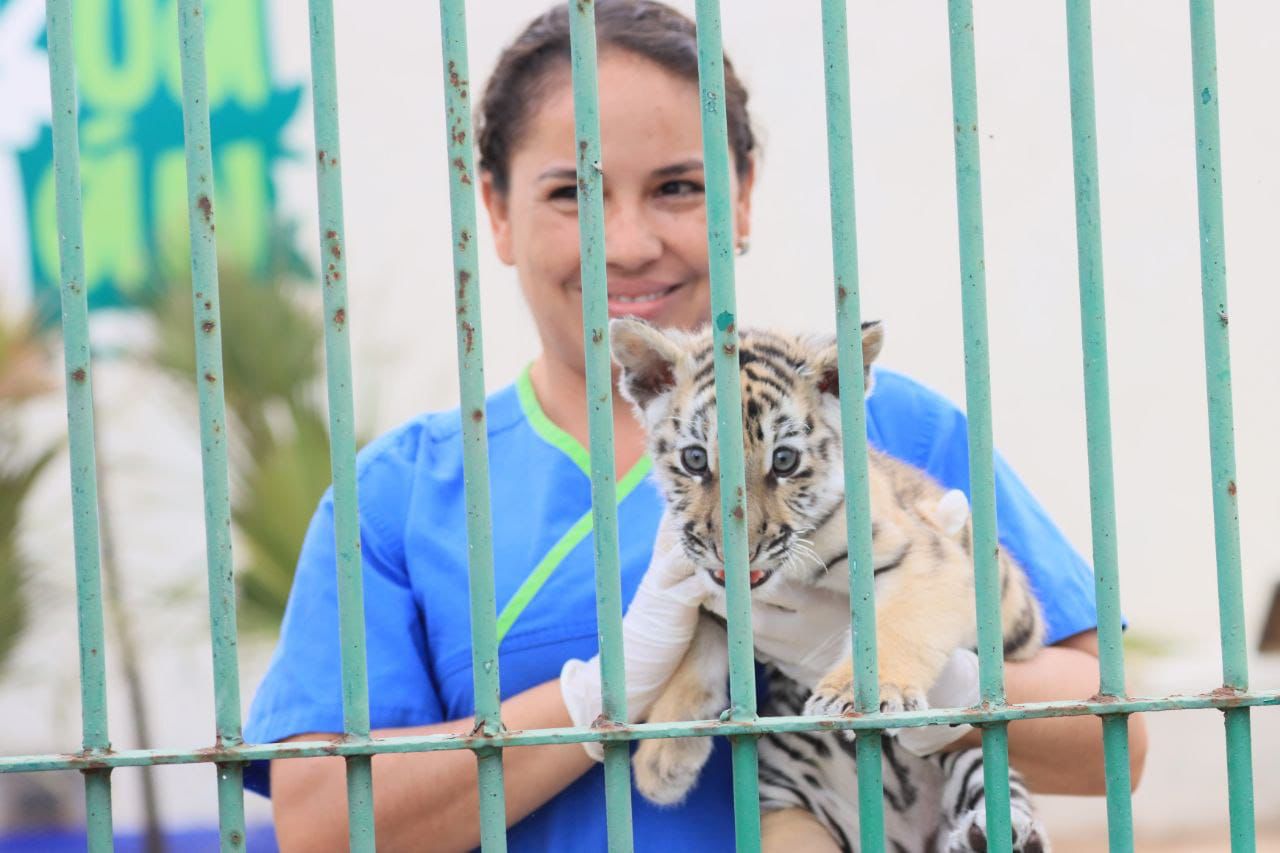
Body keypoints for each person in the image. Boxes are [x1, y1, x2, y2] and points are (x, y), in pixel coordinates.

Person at [243, 2, 1147, 850]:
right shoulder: (402, 497)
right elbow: (320, 819)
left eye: (678, 186)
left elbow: (1117, 744)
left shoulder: (883, 421)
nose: (629, 241)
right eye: (572, 192)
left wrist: (931, 688)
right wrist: (596, 700)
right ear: (496, 211)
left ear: (742, 196)